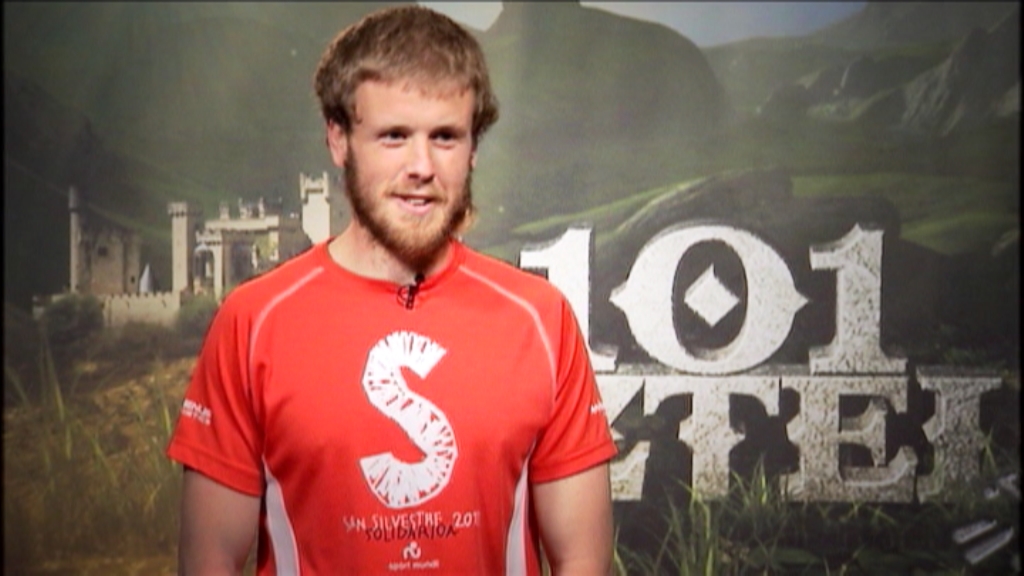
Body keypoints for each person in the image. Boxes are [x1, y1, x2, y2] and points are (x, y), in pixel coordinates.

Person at [166, 5, 617, 575]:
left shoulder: (540, 319)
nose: (421, 166)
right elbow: (210, 560)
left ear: (474, 148)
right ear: (338, 140)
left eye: (445, 137)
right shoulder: (254, 322)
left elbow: (582, 560)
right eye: (394, 136)